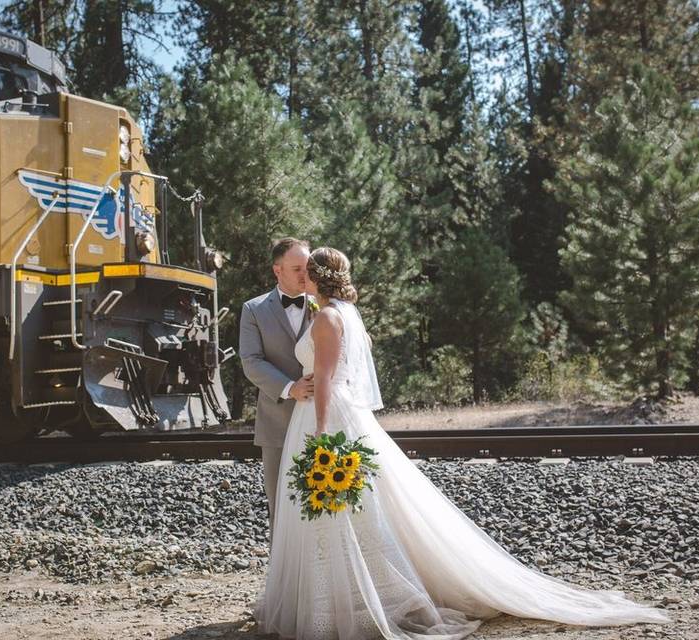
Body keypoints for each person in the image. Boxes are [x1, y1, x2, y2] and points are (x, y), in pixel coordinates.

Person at [254, 247, 670, 639]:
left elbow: (325, 379)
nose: (300, 275)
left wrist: (323, 434)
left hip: (326, 417)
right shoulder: (337, 312)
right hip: (331, 412)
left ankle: (354, 601)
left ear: (317, 276)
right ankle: (341, 596)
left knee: (343, 507)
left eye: (306, 271)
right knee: (347, 509)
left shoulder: (328, 318)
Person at [240, 238, 316, 542]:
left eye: (308, 268)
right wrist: (289, 388)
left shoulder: (324, 305)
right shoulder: (254, 309)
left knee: (323, 504)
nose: (304, 275)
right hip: (276, 423)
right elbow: (251, 361)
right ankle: (283, 581)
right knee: (281, 507)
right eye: (297, 268)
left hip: (321, 421)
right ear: (277, 270)